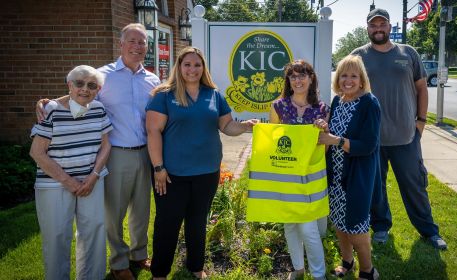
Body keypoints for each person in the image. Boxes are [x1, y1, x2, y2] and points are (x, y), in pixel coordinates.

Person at [36, 23, 160, 280]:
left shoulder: (153, 79)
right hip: (115, 152)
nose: (137, 47)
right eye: (132, 41)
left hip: (145, 152)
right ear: (121, 44)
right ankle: (118, 262)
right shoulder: (103, 76)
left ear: (147, 48)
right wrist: (49, 102)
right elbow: (82, 93)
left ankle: (139, 253)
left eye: (142, 43)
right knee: (113, 212)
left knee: (142, 208)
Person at [145, 46, 258, 280]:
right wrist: (158, 167)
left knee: (197, 222)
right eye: (187, 64)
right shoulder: (164, 95)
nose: (192, 69)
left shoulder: (213, 94)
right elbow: (153, 131)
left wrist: (246, 125)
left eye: (197, 65)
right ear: (179, 66)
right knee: (168, 223)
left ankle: (196, 267)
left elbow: (226, 126)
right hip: (171, 174)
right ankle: (159, 273)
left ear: (203, 68)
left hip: (207, 172)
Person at [351, 8, 447, 250]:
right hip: (371, 139)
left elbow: (422, 89)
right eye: (374, 25)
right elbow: (348, 90)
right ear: (368, 28)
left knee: (414, 185)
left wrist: (421, 121)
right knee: (376, 187)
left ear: (389, 26)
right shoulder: (358, 56)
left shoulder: (408, 53)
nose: (378, 29)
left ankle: (429, 230)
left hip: (406, 136)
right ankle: (381, 227)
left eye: (382, 24)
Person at [29, 65, 112, 280]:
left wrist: (93, 176)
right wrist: (69, 182)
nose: (85, 89)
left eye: (92, 85)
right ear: (69, 85)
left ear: (98, 89)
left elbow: (106, 145)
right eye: (79, 83)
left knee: (94, 231)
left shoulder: (98, 109)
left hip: (91, 181)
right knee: (57, 237)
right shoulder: (51, 110)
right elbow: (37, 153)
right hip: (54, 184)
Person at [315, 55, 381, 280]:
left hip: (358, 176)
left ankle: (368, 270)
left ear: (362, 79)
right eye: (344, 75)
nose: (348, 80)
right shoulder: (338, 101)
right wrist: (324, 128)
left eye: (354, 76)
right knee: (339, 222)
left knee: (357, 227)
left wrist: (337, 141)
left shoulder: (369, 103)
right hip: (335, 174)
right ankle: (347, 262)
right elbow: (331, 132)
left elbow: (369, 145)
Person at [269, 60, 329, 280]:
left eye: (302, 75)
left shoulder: (322, 109)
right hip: (286, 175)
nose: (298, 80)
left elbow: (324, 146)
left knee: (308, 229)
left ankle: (319, 275)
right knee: (290, 226)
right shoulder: (278, 106)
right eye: (293, 76)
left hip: (311, 177)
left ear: (311, 78)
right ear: (288, 80)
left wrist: (324, 129)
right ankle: (298, 269)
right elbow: (273, 142)